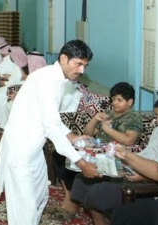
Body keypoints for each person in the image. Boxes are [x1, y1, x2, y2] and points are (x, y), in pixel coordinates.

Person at [0, 40, 100, 225]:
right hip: (21, 149)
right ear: (64, 59)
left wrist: (73, 137)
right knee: (25, 207)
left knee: (39, 198)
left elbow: (52, 119)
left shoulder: (57, 79)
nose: (82, 70)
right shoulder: (47, 80)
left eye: (85, 65)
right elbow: (51, 127)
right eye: (78, 64)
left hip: (34, 149)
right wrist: (81, 163)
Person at [71, 95, 158, 225]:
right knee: (83, 178)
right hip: (132, 168)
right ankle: (97, 220)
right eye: (157, 116)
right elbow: (147, 154)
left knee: (97, 191)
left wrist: (143, 177)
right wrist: (125, 159)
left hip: (148, 184)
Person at [53, 82, 142, 219]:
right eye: (113, 99)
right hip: (96, 150)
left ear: (130, 102)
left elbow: (129, 140)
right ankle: (70, 197)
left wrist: (106, 129)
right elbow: (89, 133)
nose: (114, 103)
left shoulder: (133, 117)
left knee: (76, 164)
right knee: (59, 155)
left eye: (119, 100)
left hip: (113, 155)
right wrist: (95, 119)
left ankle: (74, 203)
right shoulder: (109, 113)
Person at [0, 51, 47, 128]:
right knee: (9, 105)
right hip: (28, 99)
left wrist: (19, 96)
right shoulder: (33, 75)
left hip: (37, 106)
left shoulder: (44, 76)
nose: (27, 62)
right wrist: (18, 95)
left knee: (13, 106)